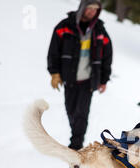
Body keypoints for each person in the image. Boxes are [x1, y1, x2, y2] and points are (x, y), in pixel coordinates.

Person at [47, 0, 113, 150]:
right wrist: (54, 73)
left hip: (89, 80)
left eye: (95, 10)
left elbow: (107, 56)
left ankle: (76, 144)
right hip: (69, 78)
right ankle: (75, 135)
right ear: (82, 8)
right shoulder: (64, 26)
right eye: (89, 8)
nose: (92, 12)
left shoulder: (99, 30)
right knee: (70, 110)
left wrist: (104, 80)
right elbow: (53, 51)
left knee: (81, 113)